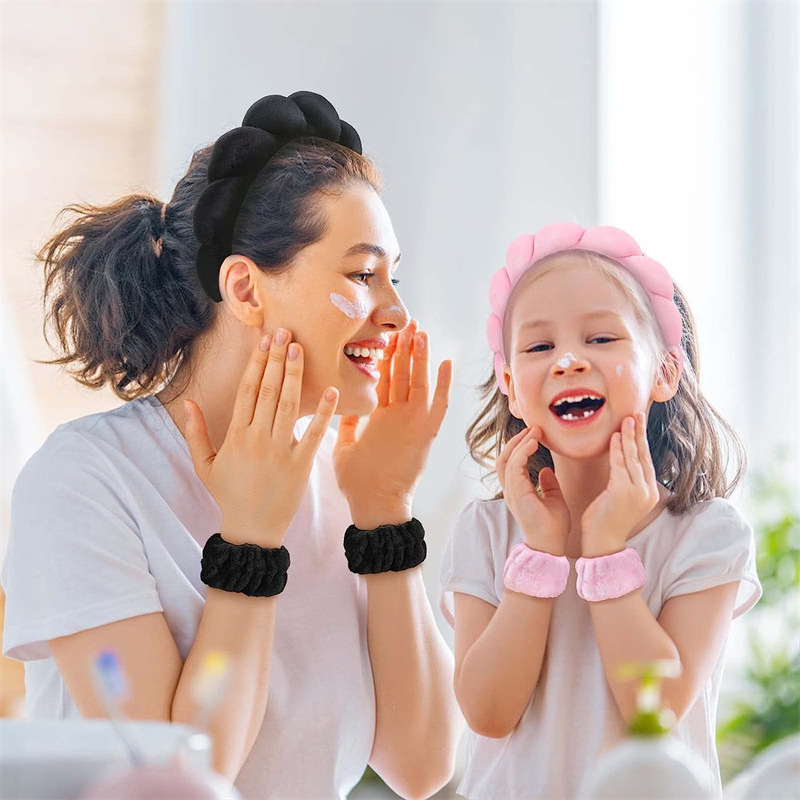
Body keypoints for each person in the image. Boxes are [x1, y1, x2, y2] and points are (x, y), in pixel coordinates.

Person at [2, 91, 462, 799]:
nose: (396, 311)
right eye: (363, 274)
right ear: (246, 288)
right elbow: (175, 779)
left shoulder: (344, 483)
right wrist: (248, 542)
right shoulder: (84, 481)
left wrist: (384, 510)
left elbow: (424, 765)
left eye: (392, 276)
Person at [440, 222, 762, 799]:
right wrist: (538, 552)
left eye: (601, 339)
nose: (567, 361)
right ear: (512, 386)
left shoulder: (708, 535)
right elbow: (488, 713)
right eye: (540, 346)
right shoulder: (487, 532)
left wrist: (607, 549)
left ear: (665, 371)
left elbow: (655, 711)